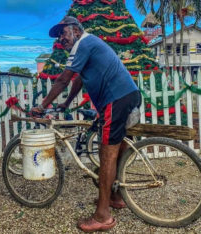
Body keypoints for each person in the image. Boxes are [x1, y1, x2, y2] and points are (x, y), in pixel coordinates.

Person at [31, 16, 141, 232]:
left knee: (107, 153)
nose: (61, 39)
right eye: (59, 36)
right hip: (127, 95)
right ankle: (116, 197)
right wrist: (66, 103)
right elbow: (79, 79)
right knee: (118, 150)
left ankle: (102, 217)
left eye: (63, 33)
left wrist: (43, 106)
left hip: (115, 99)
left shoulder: (85, 43)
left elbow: (63, 79)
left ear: (76, 31)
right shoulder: (88, 45)